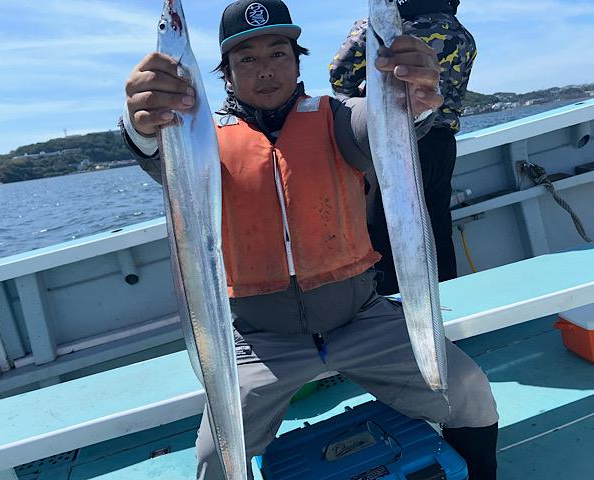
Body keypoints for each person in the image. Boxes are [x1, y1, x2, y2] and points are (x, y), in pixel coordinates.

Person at [121, 1, 498, 479]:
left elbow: (382, 123)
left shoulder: (336, 117)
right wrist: (141, 124)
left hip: (362, 318)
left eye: (278, 53)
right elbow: (156, 152)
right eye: (247, 59)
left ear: (298, 62)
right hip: (262, 340)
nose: (265, 70)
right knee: (215, 458)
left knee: (469, 391)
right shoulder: (199, 141)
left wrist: (412, 100)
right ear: (226, 74)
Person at [329, 0, 477, 295]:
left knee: (386, 234)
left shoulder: (382, 28)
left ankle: (394, 306)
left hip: (395, 142)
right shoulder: (462, 34)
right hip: (442, 144)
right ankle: (450, 301)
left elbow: (339, 76)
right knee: (437, 228)